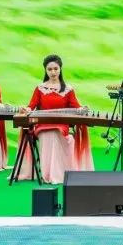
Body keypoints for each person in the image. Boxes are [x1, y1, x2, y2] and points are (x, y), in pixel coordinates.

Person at [16, 54, 93, 183]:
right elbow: (31, 106)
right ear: (45, 70)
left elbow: (76, 106)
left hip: (61, 125)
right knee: (49, 134)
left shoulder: (68, 89)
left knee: (56, 133)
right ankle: (48, 174)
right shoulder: (40, 88)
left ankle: (61, 173)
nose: (53, 72)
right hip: (42, 125)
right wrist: (26, 109)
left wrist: (82, 109)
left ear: (60, 69)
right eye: (50, 69)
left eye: (55, 69)